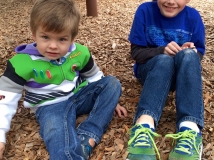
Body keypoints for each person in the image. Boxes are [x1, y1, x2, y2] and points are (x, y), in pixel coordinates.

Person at [0, 0, 127, 159]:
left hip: (78, 97)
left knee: (112, 83)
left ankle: (88, 135)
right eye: (45, 37)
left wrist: (109, 101)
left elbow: (95, 78)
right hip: (50, 107)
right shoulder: (21, 63)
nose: (53, 46)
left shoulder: (79, 53)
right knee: (58, 137)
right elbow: (4, 100)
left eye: (61, 39)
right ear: (34, 34)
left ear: (72, 38)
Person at [126, 0, 205, 160]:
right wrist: (162, 51)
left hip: (180, 75)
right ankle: (144, 125)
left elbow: (199, 54)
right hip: (152, 71)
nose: (170, 1)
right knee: (164, 60)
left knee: (189, 56)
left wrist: (191, 51)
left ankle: (190, 128)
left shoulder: (193, 17)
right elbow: (136, 53)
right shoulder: (145, 11)